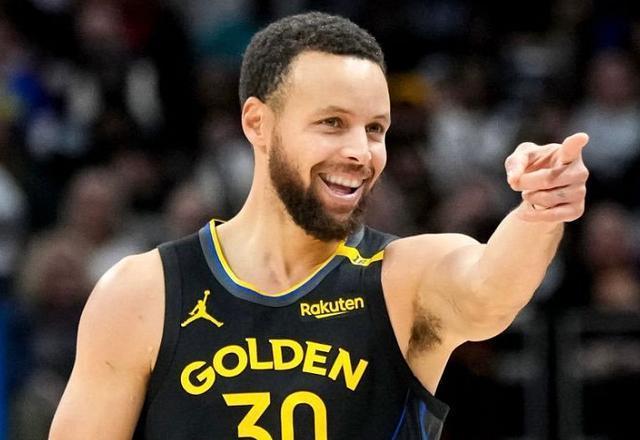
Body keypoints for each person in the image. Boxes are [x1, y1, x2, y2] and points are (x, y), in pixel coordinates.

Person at [49, 12, 590, 440]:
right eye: (332, 123)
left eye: (375, 129)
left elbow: (491, 291)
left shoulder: (404, 277)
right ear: (258, 123)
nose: (360, 151)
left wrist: (540, 212)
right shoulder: (143, 293)